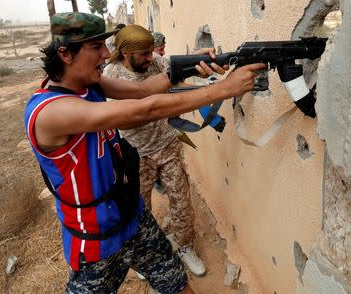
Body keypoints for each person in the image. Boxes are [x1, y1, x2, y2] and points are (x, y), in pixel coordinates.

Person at [24, 12, 263, 294]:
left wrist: (190, 67)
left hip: (132, 215)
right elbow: (145, 110)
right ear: (65, 54)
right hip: (96, 237)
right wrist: (224, 89)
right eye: (97, 47)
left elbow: (143, 91)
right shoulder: (50, 112)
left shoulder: (89, 84)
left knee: (174, 280)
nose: (106, 54)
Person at [103, 25, 204, 276]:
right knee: (139, 209)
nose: (152, 58)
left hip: (168, 144)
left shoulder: (157, 62)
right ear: (126, 52)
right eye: (145, 54)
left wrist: (201, 64)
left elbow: (176, 75)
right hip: (135, 155)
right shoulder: (111, 76)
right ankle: (144, 256)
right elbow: (119, 120)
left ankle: (184, 246)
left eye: (152, 52)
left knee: (181, 201)